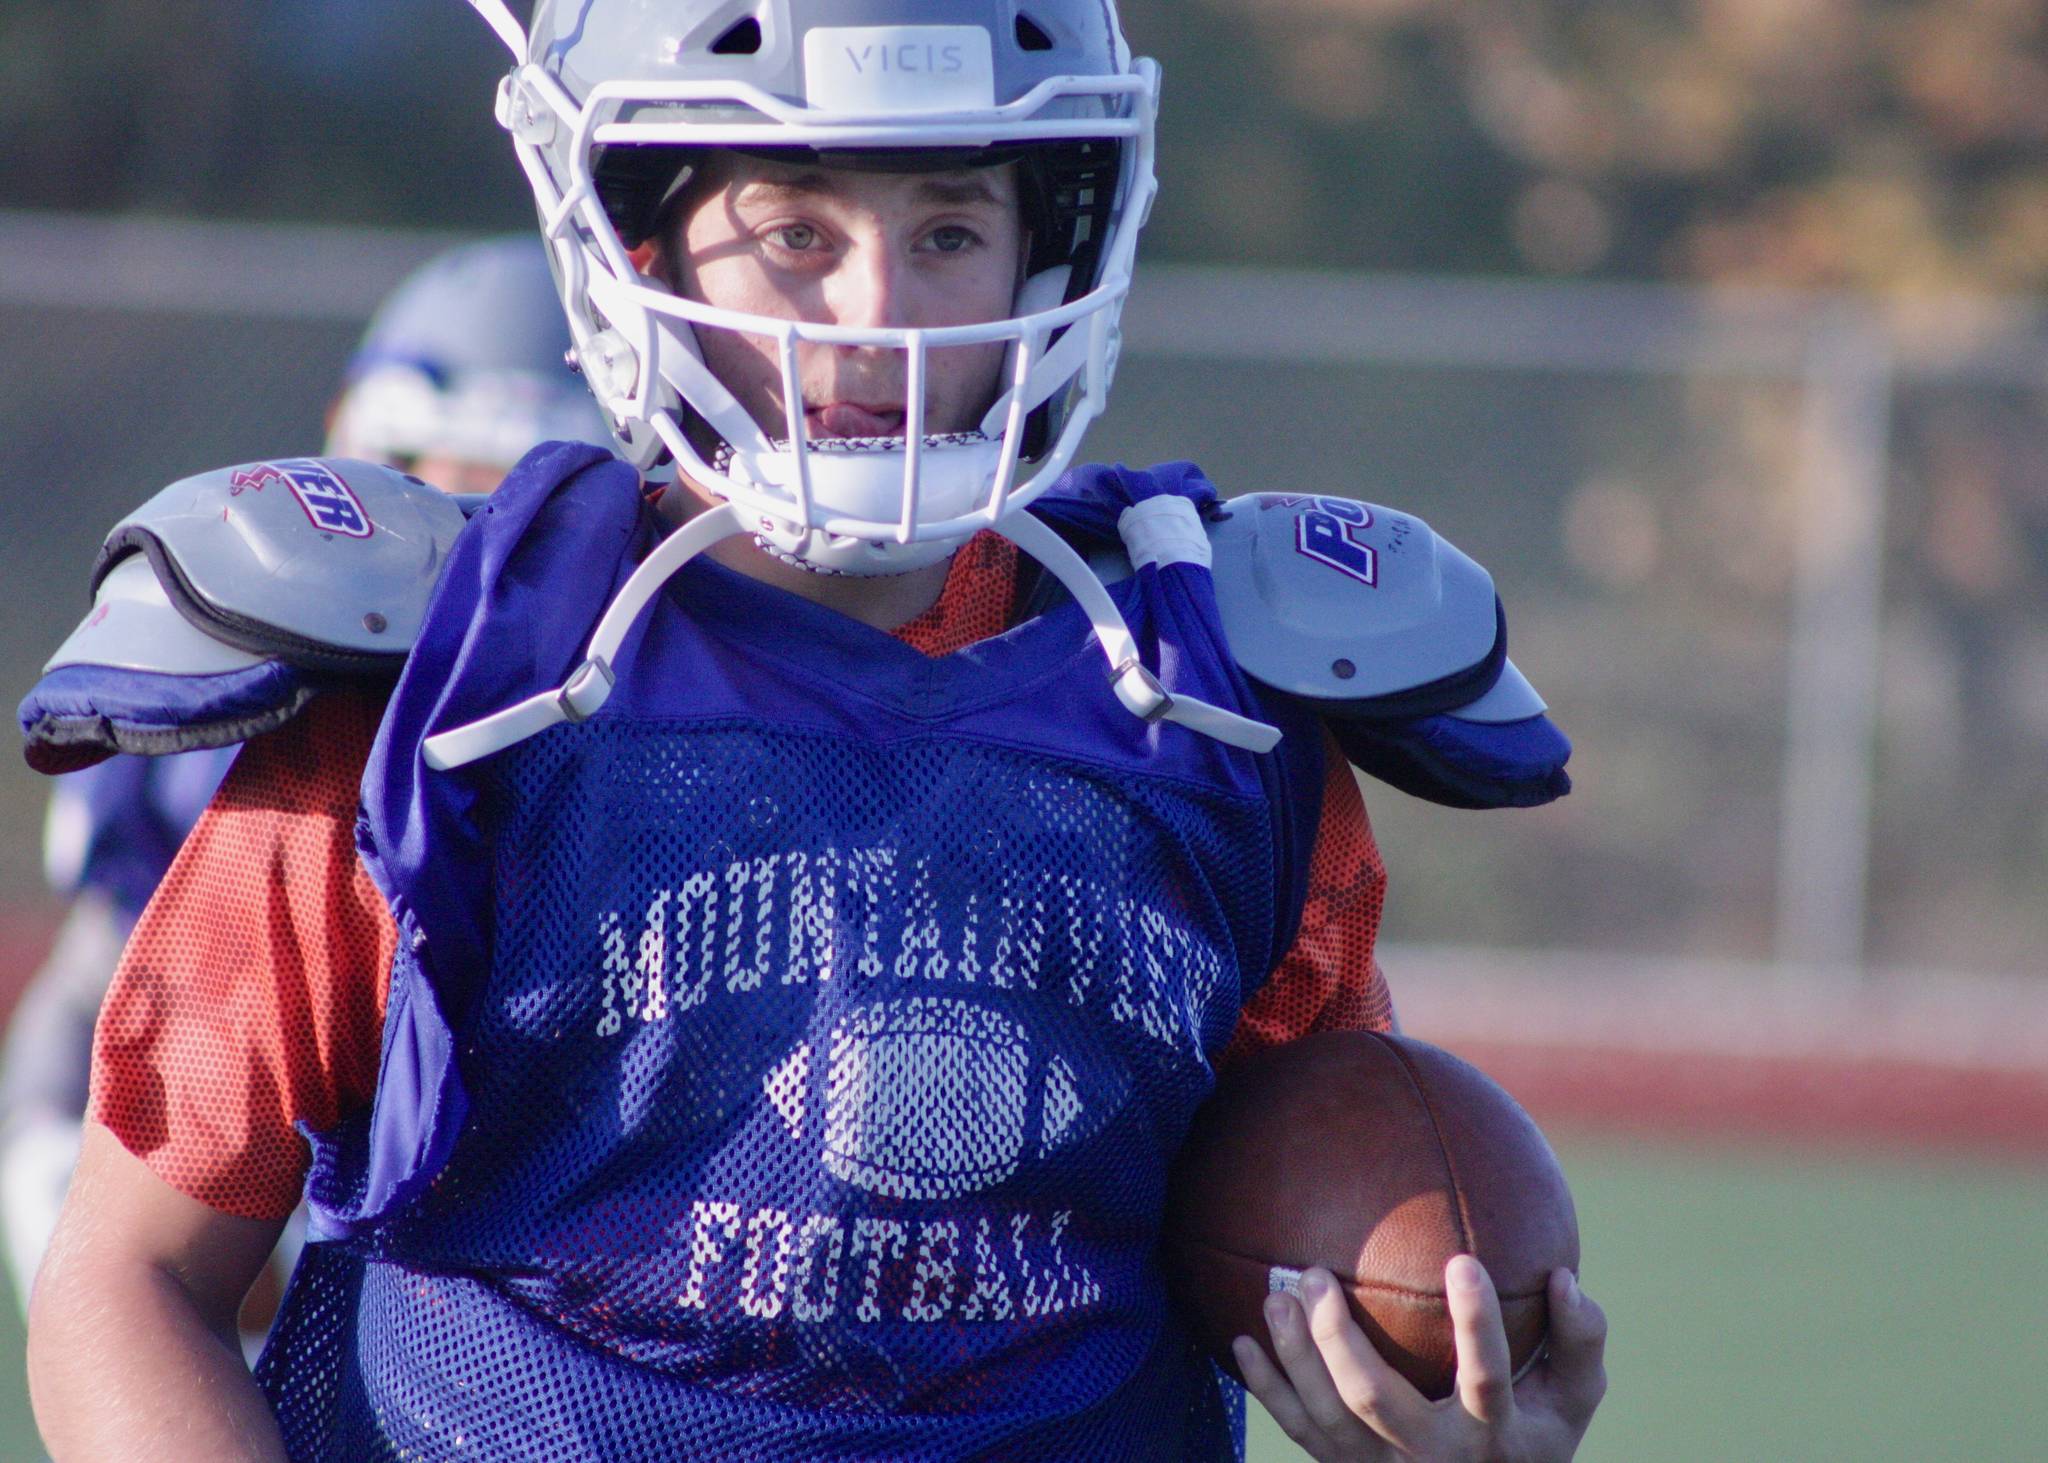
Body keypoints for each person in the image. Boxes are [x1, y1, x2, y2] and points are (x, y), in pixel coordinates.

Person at [23, 3, 1605, 1460]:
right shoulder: (445, 692)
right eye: (793, 228)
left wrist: (1427, 1411)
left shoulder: (1214, 705)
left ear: (1052, 253)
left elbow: (1319, 1221)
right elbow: (133, 1278)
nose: (875, 311)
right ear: (636, 245)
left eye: (949, 229)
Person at [0, 235, 604, 1346]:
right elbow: (92, 989)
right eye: (425, 469)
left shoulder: (636, 729)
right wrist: (51, 1149)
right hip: (248, 1179)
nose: (454, 524)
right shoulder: (277, 709)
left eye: (507, 491)